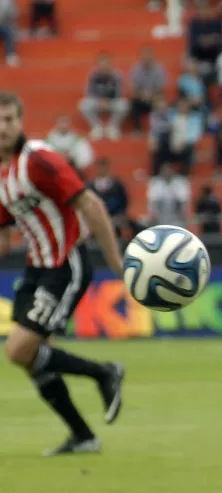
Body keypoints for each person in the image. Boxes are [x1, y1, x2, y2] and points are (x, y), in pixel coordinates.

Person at [0, 92, 126, 456]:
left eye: (10, 119)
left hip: (65, 263)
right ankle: (83, 436)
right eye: (0, 120)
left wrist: (116, 262)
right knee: (32, 360)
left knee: (18, 349)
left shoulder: (38, 159)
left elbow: (91, 203)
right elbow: (4, 242)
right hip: (36, 268)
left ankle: (105, 372)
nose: (4, 127)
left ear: (21, 121)